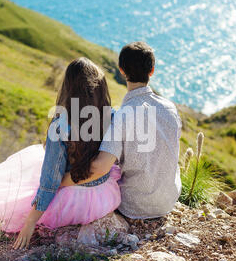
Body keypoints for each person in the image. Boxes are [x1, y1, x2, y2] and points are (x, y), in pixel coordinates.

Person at [0, 57, 121, 250]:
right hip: (105, 196)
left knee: (33, 168)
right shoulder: (113, 116)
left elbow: (50, 181)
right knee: (37, 161)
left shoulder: (60, 125)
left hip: (71, 205)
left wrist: (30, 222)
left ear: (69, 89)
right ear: (100, 88)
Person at [61, 42, 182, 220]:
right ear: (152, 71)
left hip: (135, 205)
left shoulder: (122, 116)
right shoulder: (170, 108)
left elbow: (100, 168)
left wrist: (60, 181)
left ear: (121, 71)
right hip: (169, 199)